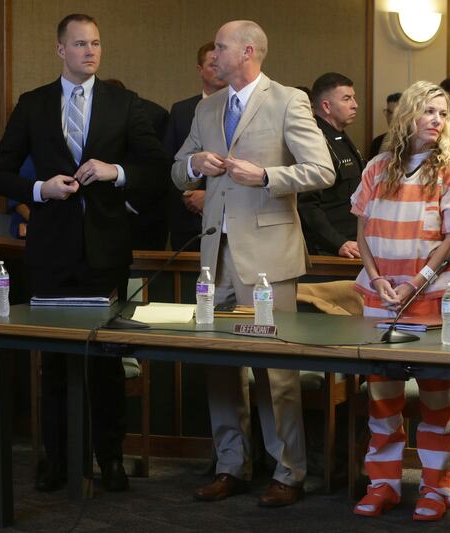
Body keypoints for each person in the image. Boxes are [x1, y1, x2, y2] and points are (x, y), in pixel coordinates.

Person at [0, 13, 171, 492]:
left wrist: (115, 171)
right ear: (60, 50)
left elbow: (156, 168)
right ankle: (57, 459)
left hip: (105, 250)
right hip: (50, 251)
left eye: (96, 44)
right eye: (80, 44)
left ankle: (110, 458)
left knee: (105, 362)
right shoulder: (33, 104)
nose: (91, 52)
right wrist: (40, 188)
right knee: (53, 362)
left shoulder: (124, 103)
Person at [172, 20, 334, 507]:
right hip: (213, 257)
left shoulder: (287, 100)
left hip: (266, 257)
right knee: (219, 367)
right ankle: (231, 465)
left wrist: (266, 175)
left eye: (220, 47)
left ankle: (289, 471)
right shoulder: (207, 106)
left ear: (247, 51)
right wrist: (194, 165)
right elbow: (177, 169)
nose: (213, 54)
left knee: (275, 371)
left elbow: (321, 169)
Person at [350, 81, 450, 522]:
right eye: (429, 112)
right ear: (408, 116)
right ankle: (382, 484)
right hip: (381, 296)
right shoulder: (378, 166)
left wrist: (415, 283)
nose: (438, 121)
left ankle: (436, 488)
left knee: (438, 399)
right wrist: (379, 279)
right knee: (382, 398)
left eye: (443, 114)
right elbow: (363, 232)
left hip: (431, 298)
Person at [164, 42, 227, 251]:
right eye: (212, 64)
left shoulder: (242, 108)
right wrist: (187, 196)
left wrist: (209, 196)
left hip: (231, 218)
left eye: (221, 63)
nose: (219, 69)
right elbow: (169, 161)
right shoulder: (182, 110)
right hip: (188, 220)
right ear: (200, 70)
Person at [298, 72, 364, 257]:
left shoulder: (339, 136)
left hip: (352, 242)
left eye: (354, 98)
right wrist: (338, 242)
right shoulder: (314, 139)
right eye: (347, 99)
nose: (355, 104)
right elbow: (306, 205)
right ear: (326, 106)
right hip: (328, 250)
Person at [105, 78, 171, 250]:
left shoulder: (155, 116)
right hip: (99, 217)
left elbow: (163, 167)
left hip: (145, 216)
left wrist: (131, 204)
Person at [368, 92, 401, 159]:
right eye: (389, 112)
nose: (391, 117)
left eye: (396, 113)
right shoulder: (377, 142)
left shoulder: (413, 142)